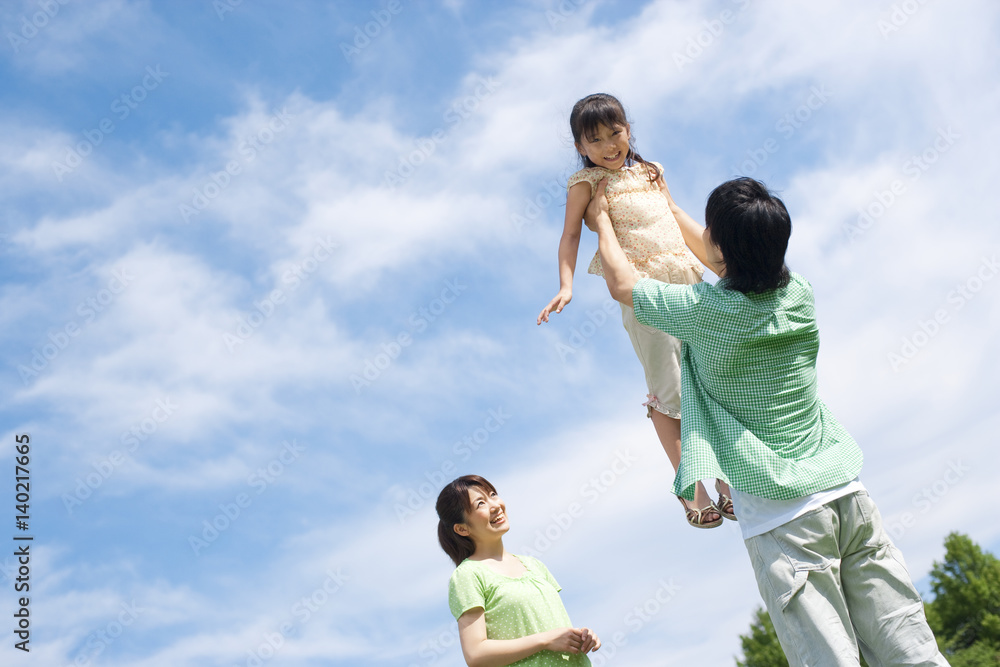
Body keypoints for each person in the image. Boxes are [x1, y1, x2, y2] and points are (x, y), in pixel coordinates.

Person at [584, 175, 949, 665]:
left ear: (718, 245)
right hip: (848, 497)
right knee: (913, 651)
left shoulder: (705, 312)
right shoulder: (799, 295)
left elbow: (622, 285)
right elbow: (728, 257)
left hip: (785, 516)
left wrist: (603, 221)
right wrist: (667, 204)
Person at [537, 93, 733, 528]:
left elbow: (676, 216)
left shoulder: (651, 170)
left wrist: (722, 265)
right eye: (595, 140)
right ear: (580, 147)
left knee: (709, 376)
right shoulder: (585, 184)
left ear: (628, 130)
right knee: (669, 385)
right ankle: (691, 488)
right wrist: (566, 285)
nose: (609, 145)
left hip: (686, 280)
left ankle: (726, 478)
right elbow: (570, 236)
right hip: (642, 290)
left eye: (615, 133)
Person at [436, 475, 601, 666]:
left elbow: (554, 629)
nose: (495, 505)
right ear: (462, 529)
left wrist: (580, 637)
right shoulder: (468, 575)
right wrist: (545, 640)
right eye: (480, 503)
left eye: (493, 495)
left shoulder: (534, 565)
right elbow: (476, 654)